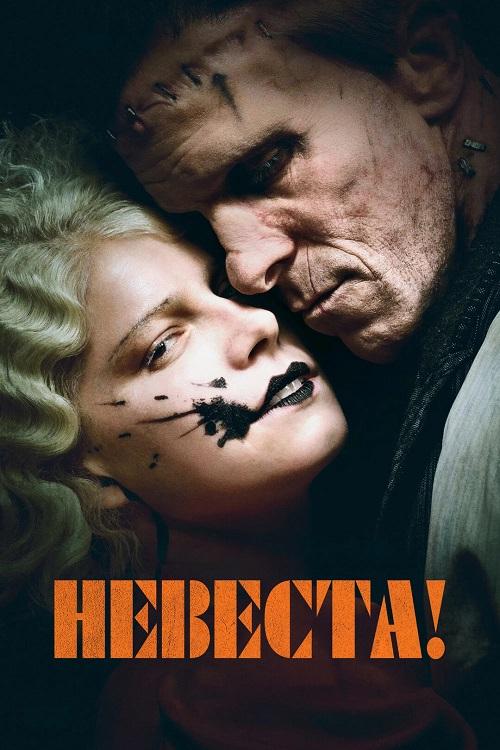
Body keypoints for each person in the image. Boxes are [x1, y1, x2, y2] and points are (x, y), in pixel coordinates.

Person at [8, 0, 497, 733]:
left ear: (428, 60)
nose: (257, 307)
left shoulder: (273, 630)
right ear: (72, 463)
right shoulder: (223, 680)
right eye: (161, 346)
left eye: (264, 166)